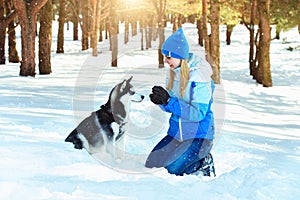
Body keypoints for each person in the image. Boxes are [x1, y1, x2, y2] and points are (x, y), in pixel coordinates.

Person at [145, 28, 216, 177]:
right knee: (151, 165)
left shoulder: (199, 78)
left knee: (172, 170)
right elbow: (171, 106)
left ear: (180, 57)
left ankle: (203, 162)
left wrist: (169, 101)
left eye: (169, 57)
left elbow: (198, 114)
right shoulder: (173, 73)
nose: (165, 61)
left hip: (198, 137)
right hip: (176, 134)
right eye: (164, 57)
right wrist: (161, 101)